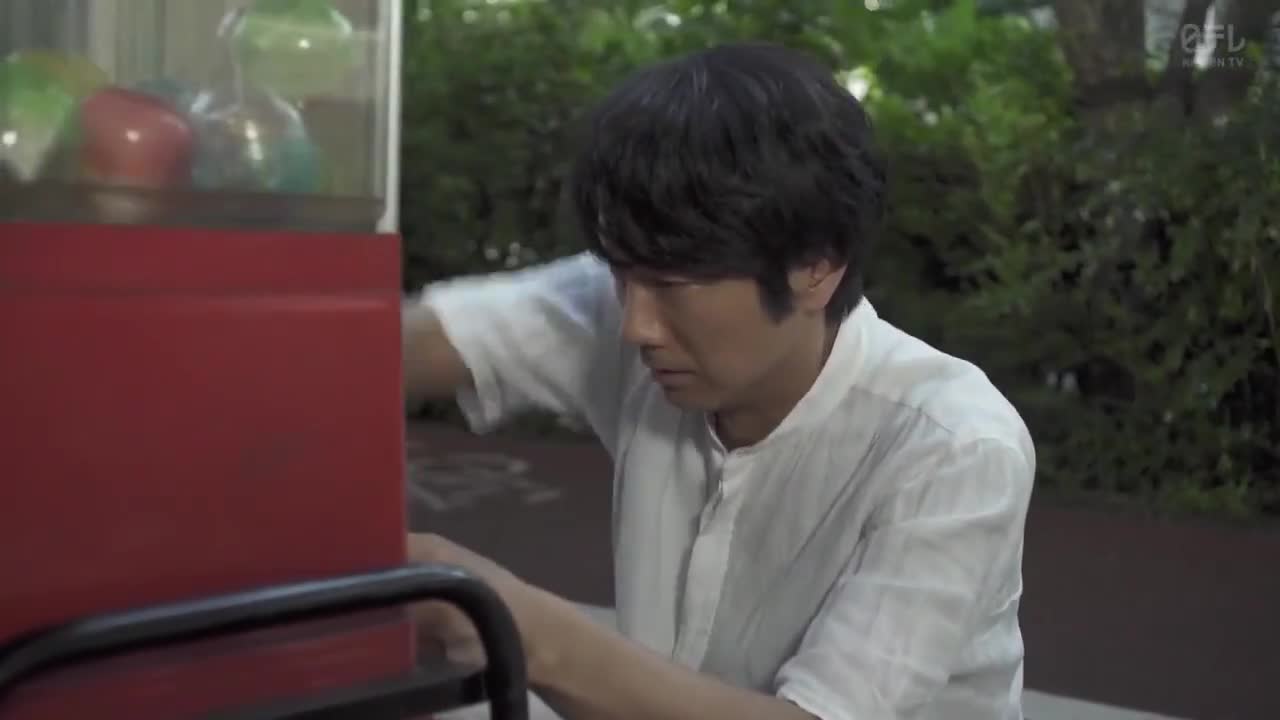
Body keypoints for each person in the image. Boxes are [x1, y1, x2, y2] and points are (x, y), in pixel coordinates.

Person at [402, 41, 1035, 720]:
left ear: (816, 267)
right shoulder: (640, 302)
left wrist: (519, 629)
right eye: (620, 275)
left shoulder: (955, 448)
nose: (635, 326)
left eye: (673, 285)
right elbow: (408, 344)